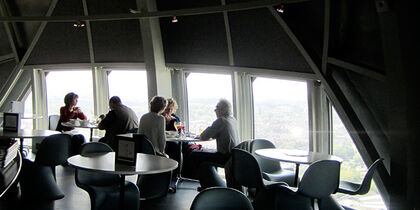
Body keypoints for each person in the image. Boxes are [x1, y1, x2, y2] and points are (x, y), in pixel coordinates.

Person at [189, 99, 240, 191]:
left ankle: (206, 185)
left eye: (216, 108)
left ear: (222, 110)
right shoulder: (232, 119)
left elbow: (204, 136)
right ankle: (211, 182)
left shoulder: (221, 121)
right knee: (205, 154)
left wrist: (205, 133)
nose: (215, 110)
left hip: (224, 157)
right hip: (234, 156)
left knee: (194, 154)